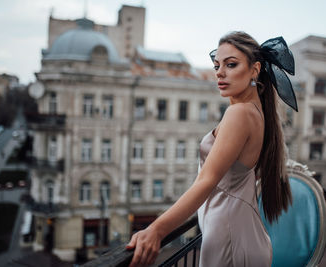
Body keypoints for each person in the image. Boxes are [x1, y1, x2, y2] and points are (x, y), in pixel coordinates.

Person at [126, 31, 298, 267]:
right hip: (239, 234)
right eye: (217, 65)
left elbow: (206, 181)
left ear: (255, 70)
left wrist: (156, 230)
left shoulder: (240, 113)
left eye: (231, 64)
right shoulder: (254, 111)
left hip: (230, 237)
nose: (219, 72)